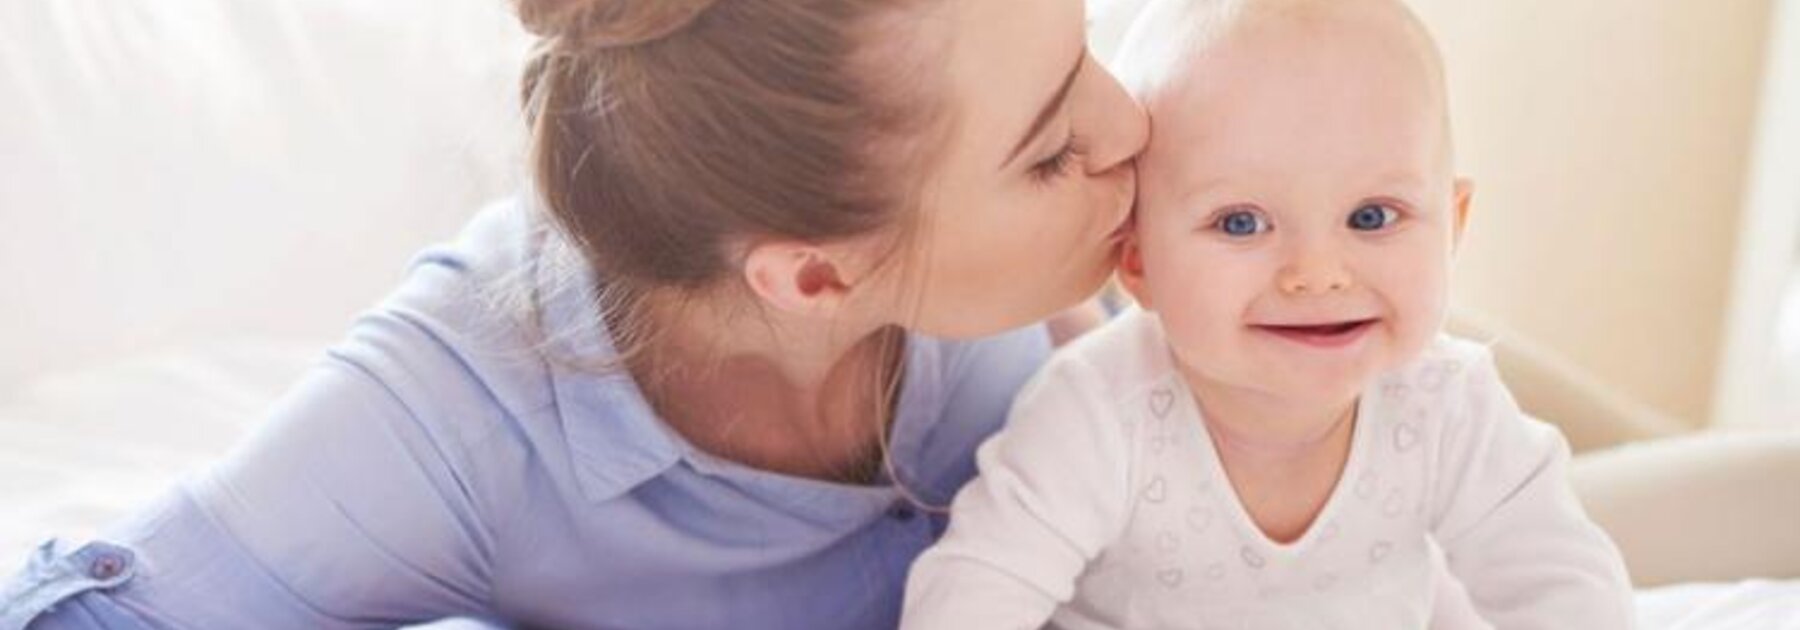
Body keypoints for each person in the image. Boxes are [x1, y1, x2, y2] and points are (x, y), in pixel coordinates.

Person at [0, 0, 1147, 628]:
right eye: (1051, 152)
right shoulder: (455, 418)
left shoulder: (1023, 262)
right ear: (813, 277)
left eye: (1087, 44)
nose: (1133, 125)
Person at [899, 0, 1635, 627]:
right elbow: (976, 593)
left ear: (1454, 224)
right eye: (1242, 223)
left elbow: (1564, 587)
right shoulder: (1100, 413)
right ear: (1138, 260)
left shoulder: (1447, 406)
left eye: (1373, 215)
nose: (1316, 274)